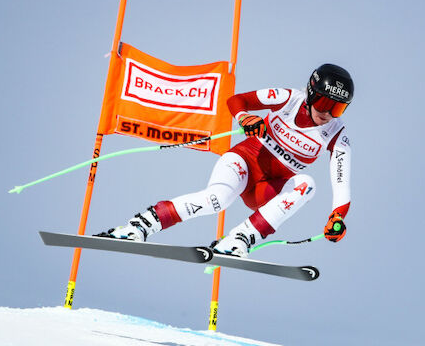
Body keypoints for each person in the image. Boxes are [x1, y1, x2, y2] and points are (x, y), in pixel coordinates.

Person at [96, 64, 353, 257]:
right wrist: (244, 117)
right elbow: (236, 100)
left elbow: (341, 181)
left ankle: (240, 238)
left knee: (307, 184)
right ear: (310, 91)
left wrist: (337, 217)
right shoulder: (287, 98)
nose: (328, 113)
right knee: (216, 200)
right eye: (324, 103)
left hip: (267, 189)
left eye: (338, 108)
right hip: (243, 163)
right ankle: (139, 226)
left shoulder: (335, 133)